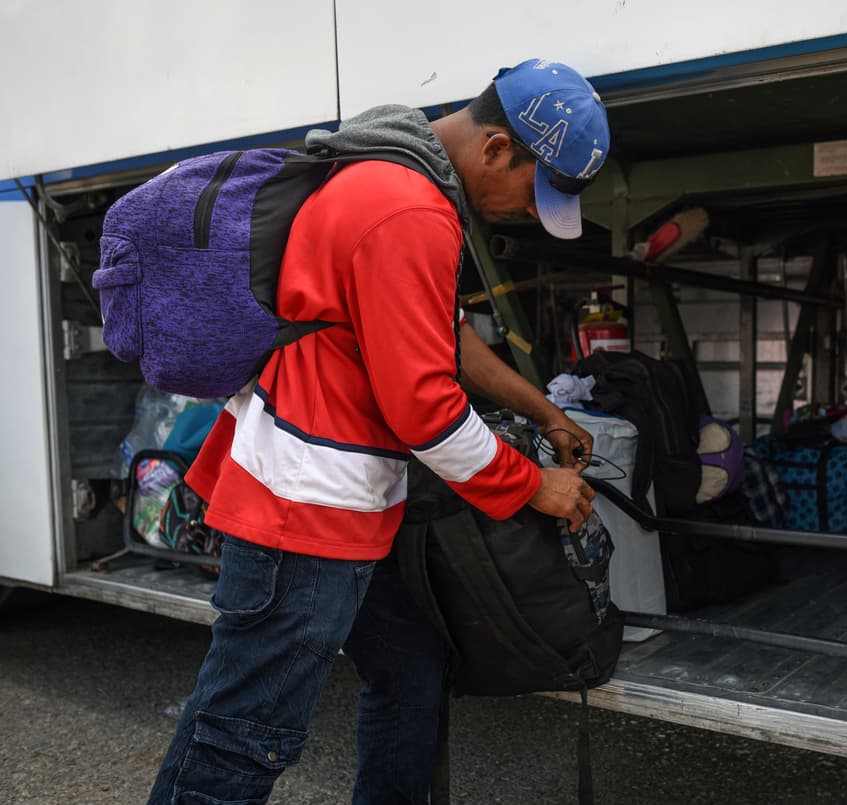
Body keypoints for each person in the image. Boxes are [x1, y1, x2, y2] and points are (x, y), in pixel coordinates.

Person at [147, 58, 611, 804]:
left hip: (352, 507)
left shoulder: (389, 177)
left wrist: (544, 410)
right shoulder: (407, 207)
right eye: (535, 189)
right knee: (243, 735)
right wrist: (536, 488)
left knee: (409, 670)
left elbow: (443, 334)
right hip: (304, 510)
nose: (530, 210)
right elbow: (424, 409)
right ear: (497, 148)